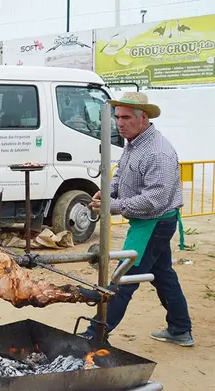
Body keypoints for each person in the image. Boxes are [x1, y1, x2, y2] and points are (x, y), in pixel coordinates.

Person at [82, 91, 193, 346]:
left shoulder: (158, 153)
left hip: (154, 223)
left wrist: (112, 205)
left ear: (143, 118)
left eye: (126, 117)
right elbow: (121, 175)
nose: (120, 123)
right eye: (117, 117)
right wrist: (107, 192)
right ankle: (180, 329)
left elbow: (155, 199)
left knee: (123, 279)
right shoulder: (134, 143)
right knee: (163, 275)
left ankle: (94, 334)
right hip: (149, 222)